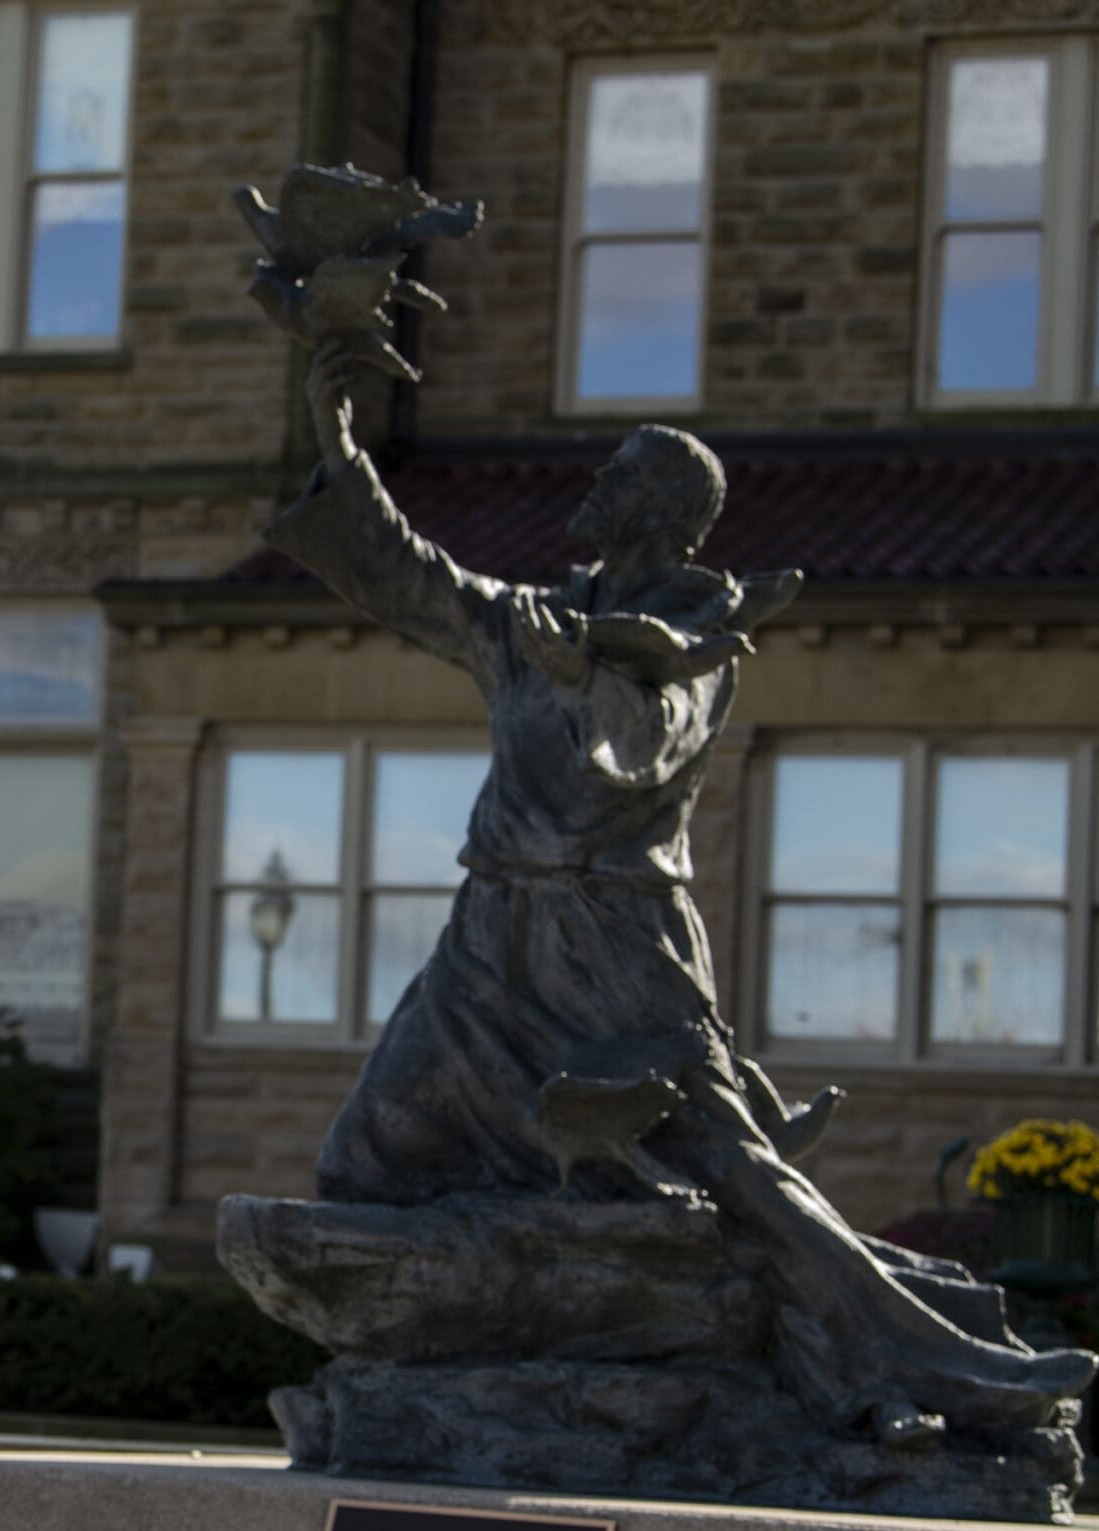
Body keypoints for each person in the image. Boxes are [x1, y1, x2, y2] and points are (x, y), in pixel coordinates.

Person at [274, 334, 1093, 1441]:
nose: (593, 486)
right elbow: (416, 578)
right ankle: (485, 1370)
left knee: (733, 1171)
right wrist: (337, 442)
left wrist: (588, 679)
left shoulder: (701, 636)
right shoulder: (534, 620)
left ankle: (927, 1372)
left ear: (659, 514)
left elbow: (643, 745)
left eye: (615, 477)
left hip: (615, 947)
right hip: (491, 938)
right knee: (363, 1159)